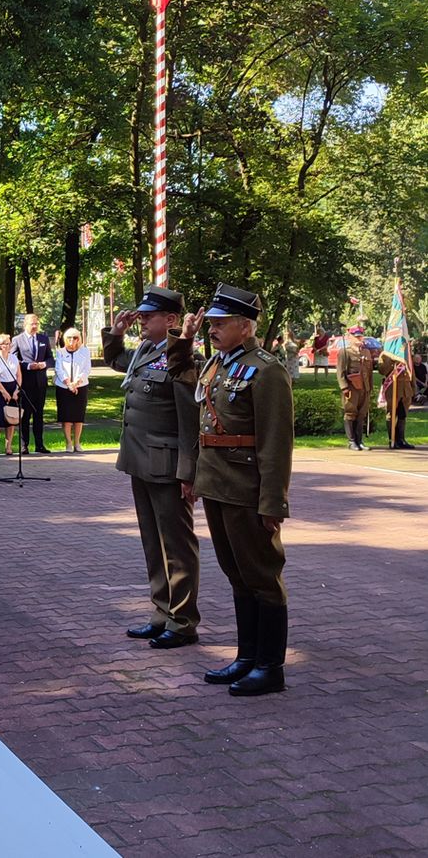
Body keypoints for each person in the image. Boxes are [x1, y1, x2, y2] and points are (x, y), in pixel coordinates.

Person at [171, 284, 293, 697]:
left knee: (262, 577)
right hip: (218, 485)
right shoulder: (218, 367)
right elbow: (182, 381)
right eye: (212, 324)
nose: (213, 330)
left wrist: (273, 501)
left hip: (248, 489)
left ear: (245, 326)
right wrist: (183, 339)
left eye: (221, 324)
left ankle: (270, 667)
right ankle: (246, 658)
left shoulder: (266, 370)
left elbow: (276, 443)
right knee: (236, 575)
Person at [103, 285, 201, 649]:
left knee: (177, 545)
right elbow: (117, 362)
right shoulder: (147, 350)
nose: (140, 319)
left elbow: (190, 419)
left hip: (167, 464)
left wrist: (189, 471)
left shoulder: (183, 358)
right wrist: (115, 334)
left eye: (148, 315)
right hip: (141, 460)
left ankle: (183, 619)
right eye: (141, 315)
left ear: (172, 320)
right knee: (152, 542)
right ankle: (162, 611)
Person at [12, 313, 53, 454]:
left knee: (38, 414)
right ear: (25, 325)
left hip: (40, 383)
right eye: (32, 324)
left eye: (37, 324)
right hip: (25, 383)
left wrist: (44, 364)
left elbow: (50, 358)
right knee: (25, 415)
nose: (35, 326)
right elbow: (14, 360)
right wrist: (29, 366)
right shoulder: (17, 340)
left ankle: (39, 445)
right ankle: (24, 445)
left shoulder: (43, 339)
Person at [337, 325, 375, 450]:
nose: (359, 338)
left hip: (364, 388)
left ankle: (360, 441)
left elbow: (369, 371)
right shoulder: (345, 352)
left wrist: (370, 387)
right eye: (356, 336)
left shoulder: (366, 352)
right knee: (350, 413)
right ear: (350, 337)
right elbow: (341, 372)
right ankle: (351, 441)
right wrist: (344, 388)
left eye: (360, 336)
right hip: (352, 388)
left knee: (361, 414)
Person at [54, 328, 91, 452]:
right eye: (69, 337)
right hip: (64, 387)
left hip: (80, 386)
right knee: (67, 417)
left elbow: (86, 369)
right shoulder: (60, 352)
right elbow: (58, 369)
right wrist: (68, 383)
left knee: (78, 417)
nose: (72, 340)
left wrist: (77, 382)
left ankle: (77, 442)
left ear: (79, 339)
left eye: (75, 337)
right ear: (65, 339)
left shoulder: (85, 351)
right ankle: (68, 443)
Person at [0, 334, 22, 456]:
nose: (7, 346)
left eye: (8, 343)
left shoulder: (14, 358)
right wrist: (4, 392)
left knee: (11, 419)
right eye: (4, 344)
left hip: (13, 388)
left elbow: (19, 375)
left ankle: (8, 446)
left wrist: (16, 390)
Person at [378, 351, 416, 450]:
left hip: (406, 390)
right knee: (391, 415)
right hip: (393, 389)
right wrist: (393, 360)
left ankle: (401, 440)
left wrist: (413, 387)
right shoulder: (386, 354)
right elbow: (382, 370)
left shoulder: (405, 354)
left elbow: (411, 371)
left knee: (402, 415)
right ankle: (392, 439)